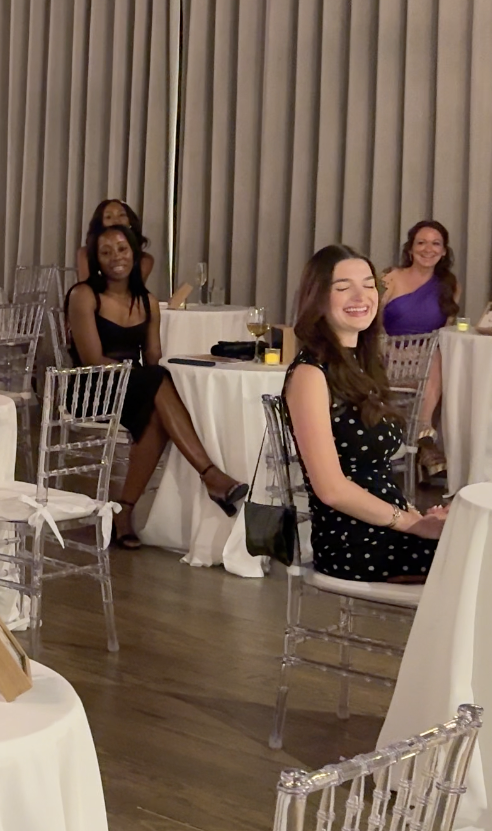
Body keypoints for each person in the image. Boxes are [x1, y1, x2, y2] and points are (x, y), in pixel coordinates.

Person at [66, 223, 249, 546]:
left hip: (133, 384)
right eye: (105, 252)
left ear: (135, 254)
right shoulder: (84, 295)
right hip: (90, 387)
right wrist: (141, 377)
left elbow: (153, 356)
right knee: (155, 383)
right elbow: (92, 359)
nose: (115, 258)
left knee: (158, 408)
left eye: (122, 249)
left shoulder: (147, 301)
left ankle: (124, 511)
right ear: (96, 259)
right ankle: (210, 475)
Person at [284, 245, 446, 583]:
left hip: (386, 524)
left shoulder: (363, 364)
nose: (361, 296)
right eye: (343, 287)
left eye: (369, 284)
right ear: (318, 298)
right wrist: (412, 523)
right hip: (353, 541)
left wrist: (416, 516)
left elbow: (376, 474)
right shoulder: (311, 374)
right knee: (488, 557)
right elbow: (331, 489)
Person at [381, 220, 458, 336]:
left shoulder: (451, 285)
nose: (428, 249)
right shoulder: (390, 278)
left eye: (436, 243)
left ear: (444, 252)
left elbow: (445, 335)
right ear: (410, 249)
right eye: (421, 243)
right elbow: (371, 324)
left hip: (431, 353)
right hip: (386, 352)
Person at [75, 199, 155, 283]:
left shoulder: (145, 260)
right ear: (100, 224)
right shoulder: (85, 253)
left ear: (130, 222)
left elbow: (136, 291)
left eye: (121, 215)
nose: (116, 221)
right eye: (108, 217)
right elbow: (85, 287)